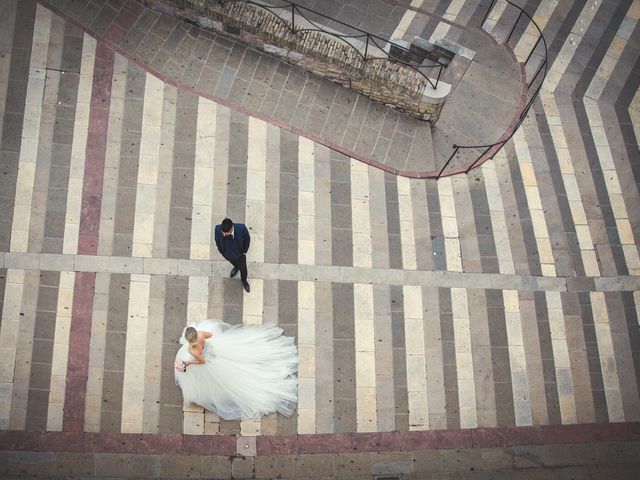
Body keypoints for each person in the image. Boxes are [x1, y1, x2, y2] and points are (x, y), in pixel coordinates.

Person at [174, 319, 298, 420]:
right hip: (215, 351)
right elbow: (210, 335)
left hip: (209, 363)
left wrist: (187, 362)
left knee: (223, 381)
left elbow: (201, 361)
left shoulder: (192, 350)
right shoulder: (201, 334)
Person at [214, 218, 251, 293]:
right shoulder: (217, 228)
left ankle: (244, 281)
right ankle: (236, 267)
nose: (224, 235)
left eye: (226, 233)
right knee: (234, 263)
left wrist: (244, 252)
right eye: (223, 233)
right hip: (227, 253)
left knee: (243, 269)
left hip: (239, 254)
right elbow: (217, 240)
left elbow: (247, 239)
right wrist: (221, 251)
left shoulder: (242, 229)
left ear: (231, 229)